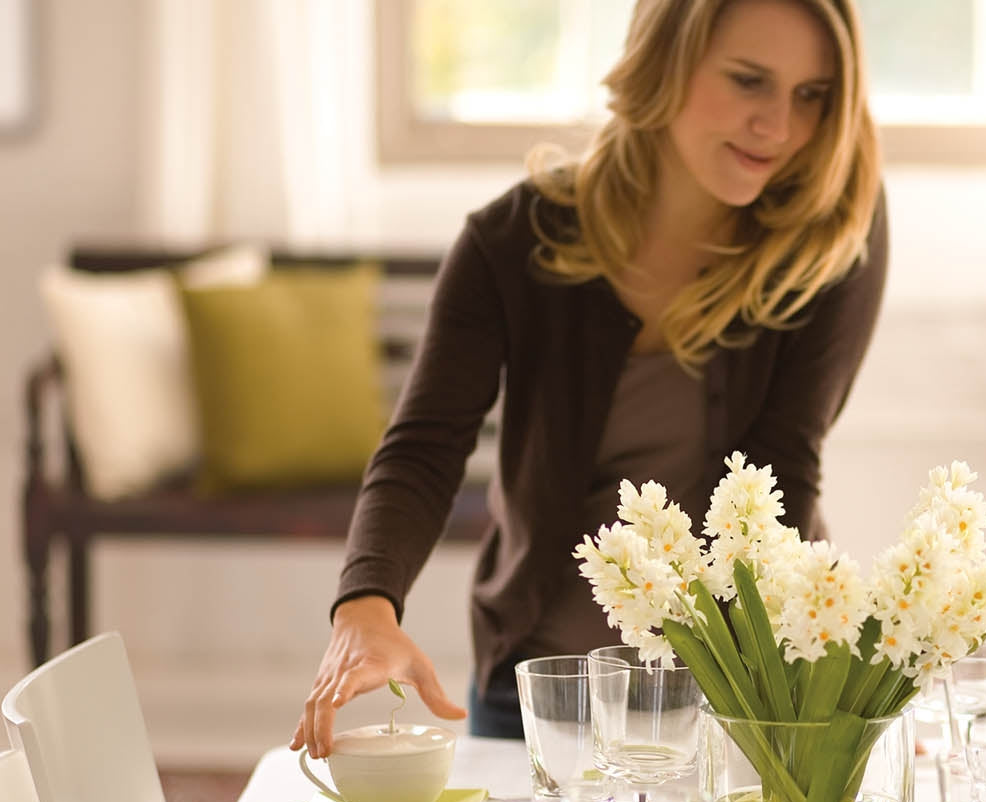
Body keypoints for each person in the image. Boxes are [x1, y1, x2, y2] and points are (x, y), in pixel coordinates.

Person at [293, 0, 888, 758]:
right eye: (748, 82)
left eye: (812, 95)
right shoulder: (510, 241)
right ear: (662, 61)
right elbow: (424, 448)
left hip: (739, 696)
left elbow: (784, 468)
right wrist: (366, 610)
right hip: (540, 694)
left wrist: (821, 711)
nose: (779, 125)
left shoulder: (832, 235)